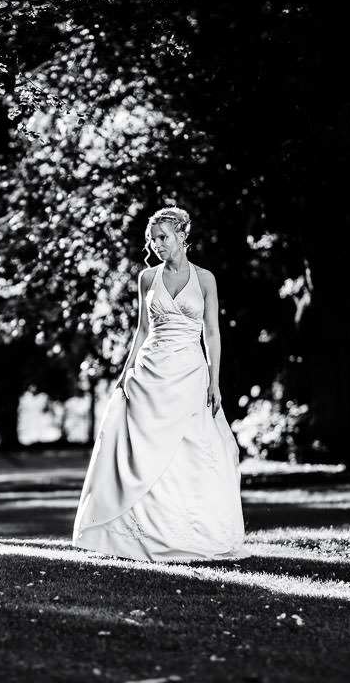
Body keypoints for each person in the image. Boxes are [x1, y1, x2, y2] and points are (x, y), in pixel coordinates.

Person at [72, 207, 246, 561]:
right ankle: (139, 536)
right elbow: (143, 330)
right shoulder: (146, 278)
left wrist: (215, 380)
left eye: (163, 237)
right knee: (140, 448)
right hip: (151, 372)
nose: (156, 245)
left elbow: (211, 332)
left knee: (196, 450)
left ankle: (195, 534)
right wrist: (125, 372)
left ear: (183, 235)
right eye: (153, 239)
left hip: (191, 374)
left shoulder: (206, 279)